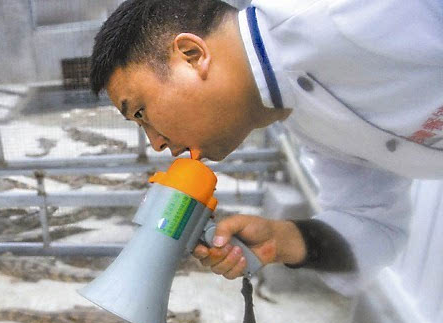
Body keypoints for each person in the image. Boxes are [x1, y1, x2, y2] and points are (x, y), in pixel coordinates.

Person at [89, 0, 443, 295]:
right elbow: (377, 227)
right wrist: (282, 240)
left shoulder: (345, 9)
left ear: (192, 54)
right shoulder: (310, 126)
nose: (156, 142)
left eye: (140, 112)